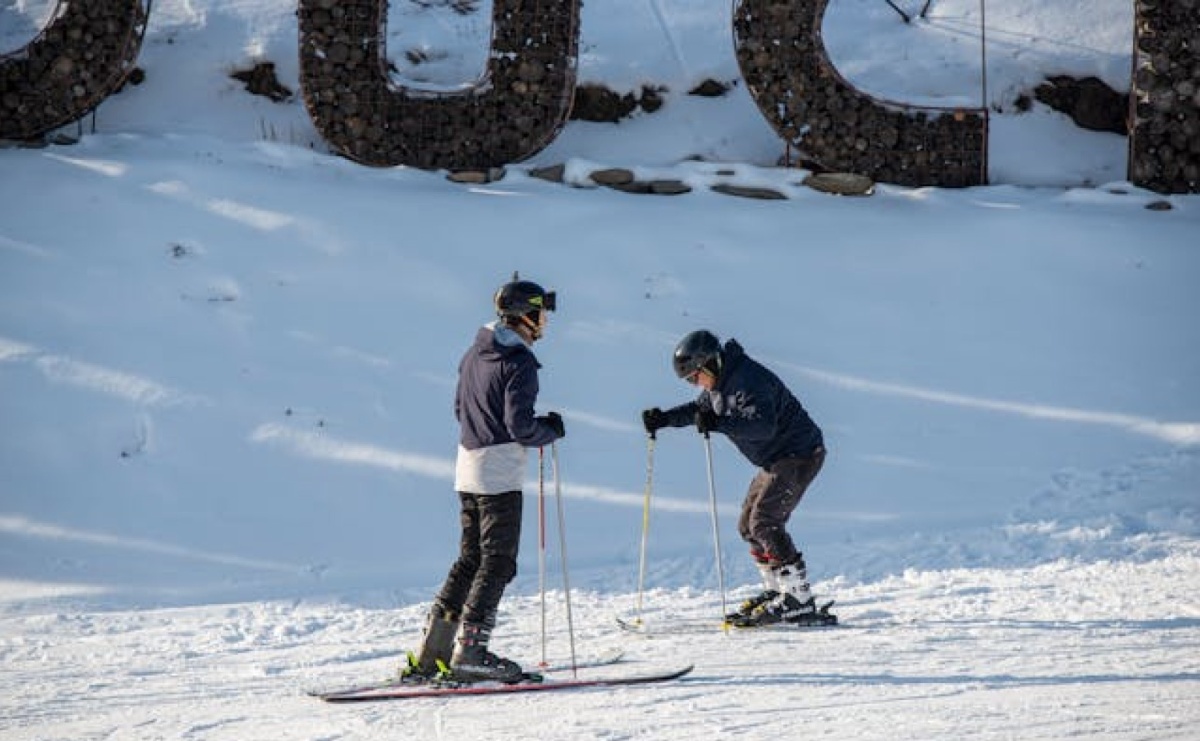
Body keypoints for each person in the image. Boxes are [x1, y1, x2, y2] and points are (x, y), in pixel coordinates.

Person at [410, 275, 566, 683]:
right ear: (525, 317)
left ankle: (433, 652)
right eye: (541, 314)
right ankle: (471, 653)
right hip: (498, 473)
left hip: (467, 464)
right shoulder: (519, 363)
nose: (544, 321)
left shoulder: (474, 352)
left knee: (470, 560)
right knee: (497, 563)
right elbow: (520, 427)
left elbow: (459, 409)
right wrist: (548, 431)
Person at [641, 329, 831, 627]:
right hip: (776, 460)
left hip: (799, 454)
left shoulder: (747, 380)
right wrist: (664, 419)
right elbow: (699, 410)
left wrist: (717, 423)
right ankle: (777, 591)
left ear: (710, 364)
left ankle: (799, 599)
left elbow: (762, 426)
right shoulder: (721, 382)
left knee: (765, 522)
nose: (694, 384)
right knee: (748, 526)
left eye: (694, 377)